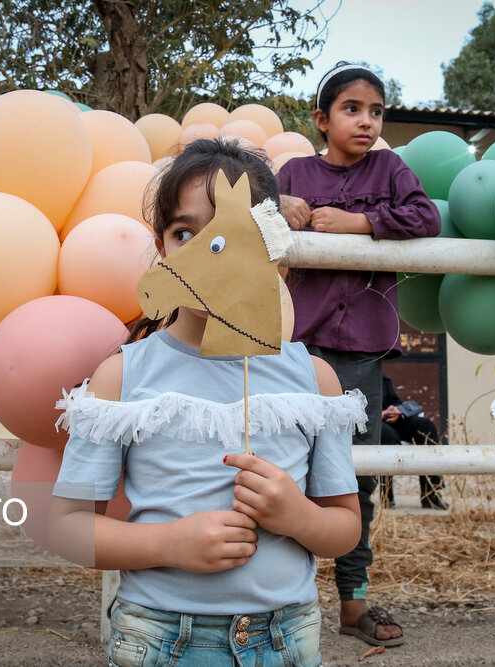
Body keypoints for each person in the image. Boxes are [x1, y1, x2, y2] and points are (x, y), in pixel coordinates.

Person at [48, 138, 364, 666]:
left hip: (286, 636)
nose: (200, 249)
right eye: (184, 233)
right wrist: (170, 543)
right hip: (158, 637)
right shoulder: (120, 378)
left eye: (226, 233)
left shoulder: (314, 380)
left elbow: (344, 528)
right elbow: (68, 525)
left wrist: (296, 515)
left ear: (270, 244)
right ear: (162, 245)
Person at [277, 61, 442, 647]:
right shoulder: (293, 171)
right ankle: (281, 599)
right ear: (322, 120)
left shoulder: (391, 170)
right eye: (352, 109)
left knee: (355, 475)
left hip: (363, 351)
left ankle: (353, 603)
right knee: (285, 469)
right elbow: (249, 223)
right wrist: (284, 210)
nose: (366, 122)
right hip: (297, 345)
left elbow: (427, 217)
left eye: (376, 112)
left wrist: (357, 223)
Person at [379, 374, 447, 510]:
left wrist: (397, 410)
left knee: (426, 427)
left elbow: (395, 401)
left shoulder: (382, 379)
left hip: (393, 421)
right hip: (372, 423)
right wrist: (378, 415)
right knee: (387, 436)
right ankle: (387, 495)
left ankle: (430, 493)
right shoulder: (351, 376)